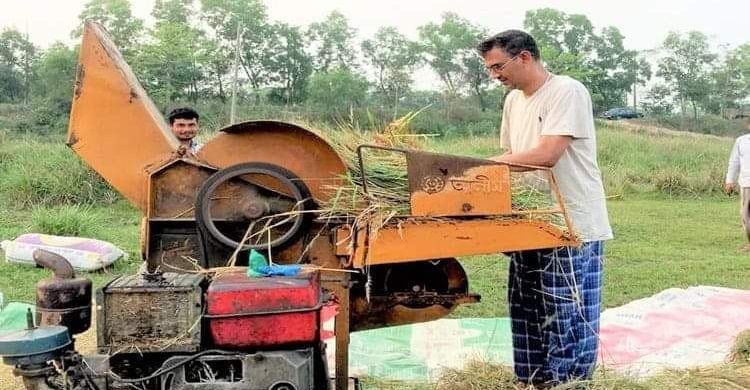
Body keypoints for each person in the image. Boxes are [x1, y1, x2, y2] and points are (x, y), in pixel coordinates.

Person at [477, 30, 613, 387]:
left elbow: (546, 155)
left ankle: (569, 383)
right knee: (526, 309)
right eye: (489, 69)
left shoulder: (566, 91)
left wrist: (477, 166)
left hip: (571, 223)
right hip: (529, 222)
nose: (495, 76)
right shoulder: (513, 102)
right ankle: (533, 381)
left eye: (498, 67)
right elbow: (511, 157)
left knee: (567, 312)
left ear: (523, 57)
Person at [724, 117, 750, 249]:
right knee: (746, 213)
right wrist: (729, 181)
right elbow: (734, 162)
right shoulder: (742, 141)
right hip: (747, 183)